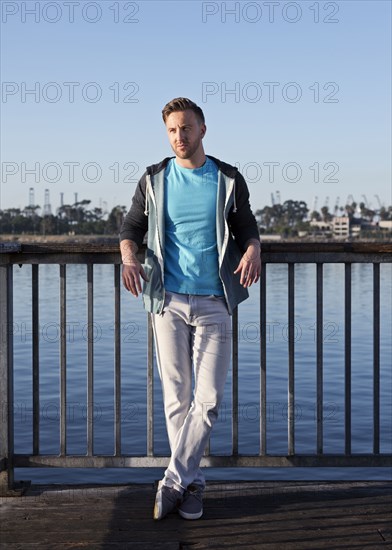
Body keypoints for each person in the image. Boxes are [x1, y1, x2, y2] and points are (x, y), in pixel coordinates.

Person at [120, 97, 261, 520]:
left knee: (210, 399)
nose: (179, 137)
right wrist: (129, 257)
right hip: (168, 301)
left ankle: (172, 481)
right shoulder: (154, 178)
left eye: (186, 128)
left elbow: (246, 226)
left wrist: (253, 248)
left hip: (215, 299)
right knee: (176, 399)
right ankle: (193, 484)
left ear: (202, 129)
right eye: (171, 131)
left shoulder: (228, 179)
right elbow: (131, 229)